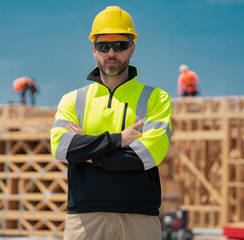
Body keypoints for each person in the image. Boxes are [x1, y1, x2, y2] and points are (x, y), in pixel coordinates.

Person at [50, 6, 172, 240]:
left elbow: (147, 155)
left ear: (132, 49)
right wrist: (119, 140)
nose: (112, 52)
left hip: (138, 218)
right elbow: (62, 149)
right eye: (104, 46)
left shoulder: (156, 98)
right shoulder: (73, 100)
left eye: (120, 45)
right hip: (85, 218)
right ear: (94, 50)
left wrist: (88, 151)